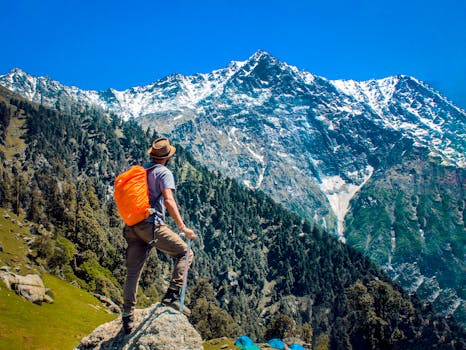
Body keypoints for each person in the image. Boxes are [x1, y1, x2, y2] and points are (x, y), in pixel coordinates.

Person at [122, 137, 197, 335]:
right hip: (151, 225)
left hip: (132, 227)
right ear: (167, 157)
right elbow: (169, 200)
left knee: (133, 273)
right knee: (185, 253)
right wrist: (183, 227)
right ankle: (172, 296)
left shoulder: (142, 170)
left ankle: (127, 315)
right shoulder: (164, 172)